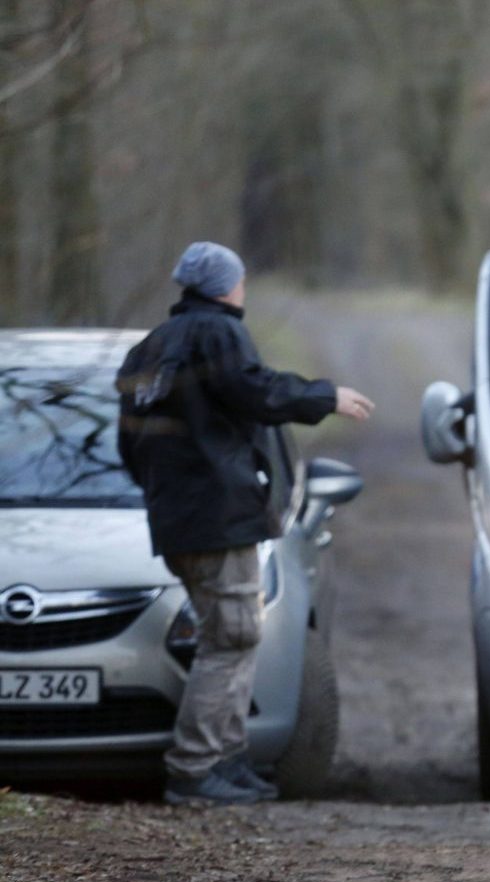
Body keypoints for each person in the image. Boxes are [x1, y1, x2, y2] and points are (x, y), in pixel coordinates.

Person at [116, 241, 375, 806]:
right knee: (232, 636)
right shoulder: (218, 333)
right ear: (225, 287)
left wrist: (167, 494)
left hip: (178, 519)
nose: (244, 290)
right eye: (240, 282)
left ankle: (228, 762)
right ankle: (194, 768)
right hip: (217, 518)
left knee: (230, 634)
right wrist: (326, 396)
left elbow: (129, 442)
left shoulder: (148, 348)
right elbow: (254, 390)